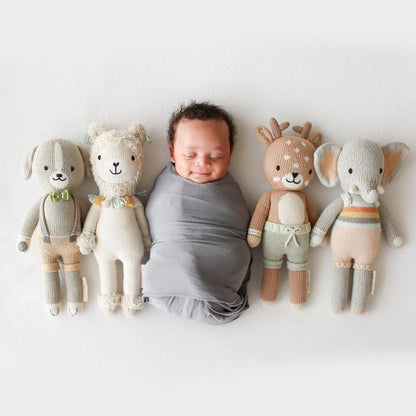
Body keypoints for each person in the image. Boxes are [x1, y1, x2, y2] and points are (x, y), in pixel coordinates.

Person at [142, 101, 251, 325]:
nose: (202, 163)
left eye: (216, 156)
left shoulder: (230, 191)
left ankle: (211, 288)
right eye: (190, 156)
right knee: (184, 258)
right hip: (170, 270)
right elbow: (159, 214)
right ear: (172, 153)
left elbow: (238, 223)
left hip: (222, 270)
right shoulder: (167, 185)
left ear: (230, 154)